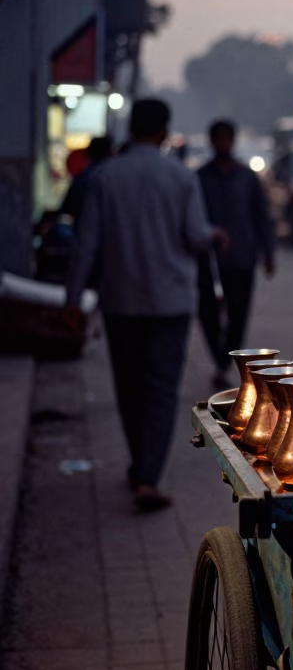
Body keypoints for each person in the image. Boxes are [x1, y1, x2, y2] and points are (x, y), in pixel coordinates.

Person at [65, 98, 227, 511]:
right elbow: (193, 236)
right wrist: (214, 236)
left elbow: (87, 243)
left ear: (132, 128)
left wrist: (72, 300)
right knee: (160, 390)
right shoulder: (180, 177)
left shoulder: (104, 177)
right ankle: (147, 476)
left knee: (129, 385)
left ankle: (141, 465)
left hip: (120, 300)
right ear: (163, 131)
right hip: (170, 302)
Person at [196, 118, 276, 388]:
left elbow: (262, 216)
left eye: (226, 138)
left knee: (238, 315)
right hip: (208, 260)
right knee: (208, 313)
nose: (222, 144)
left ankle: (224, 360)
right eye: (218, 138)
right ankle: (219, 357)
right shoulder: (200, 177)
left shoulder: (246, 177)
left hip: (242, 258)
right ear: (212, 141)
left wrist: (268, 254)